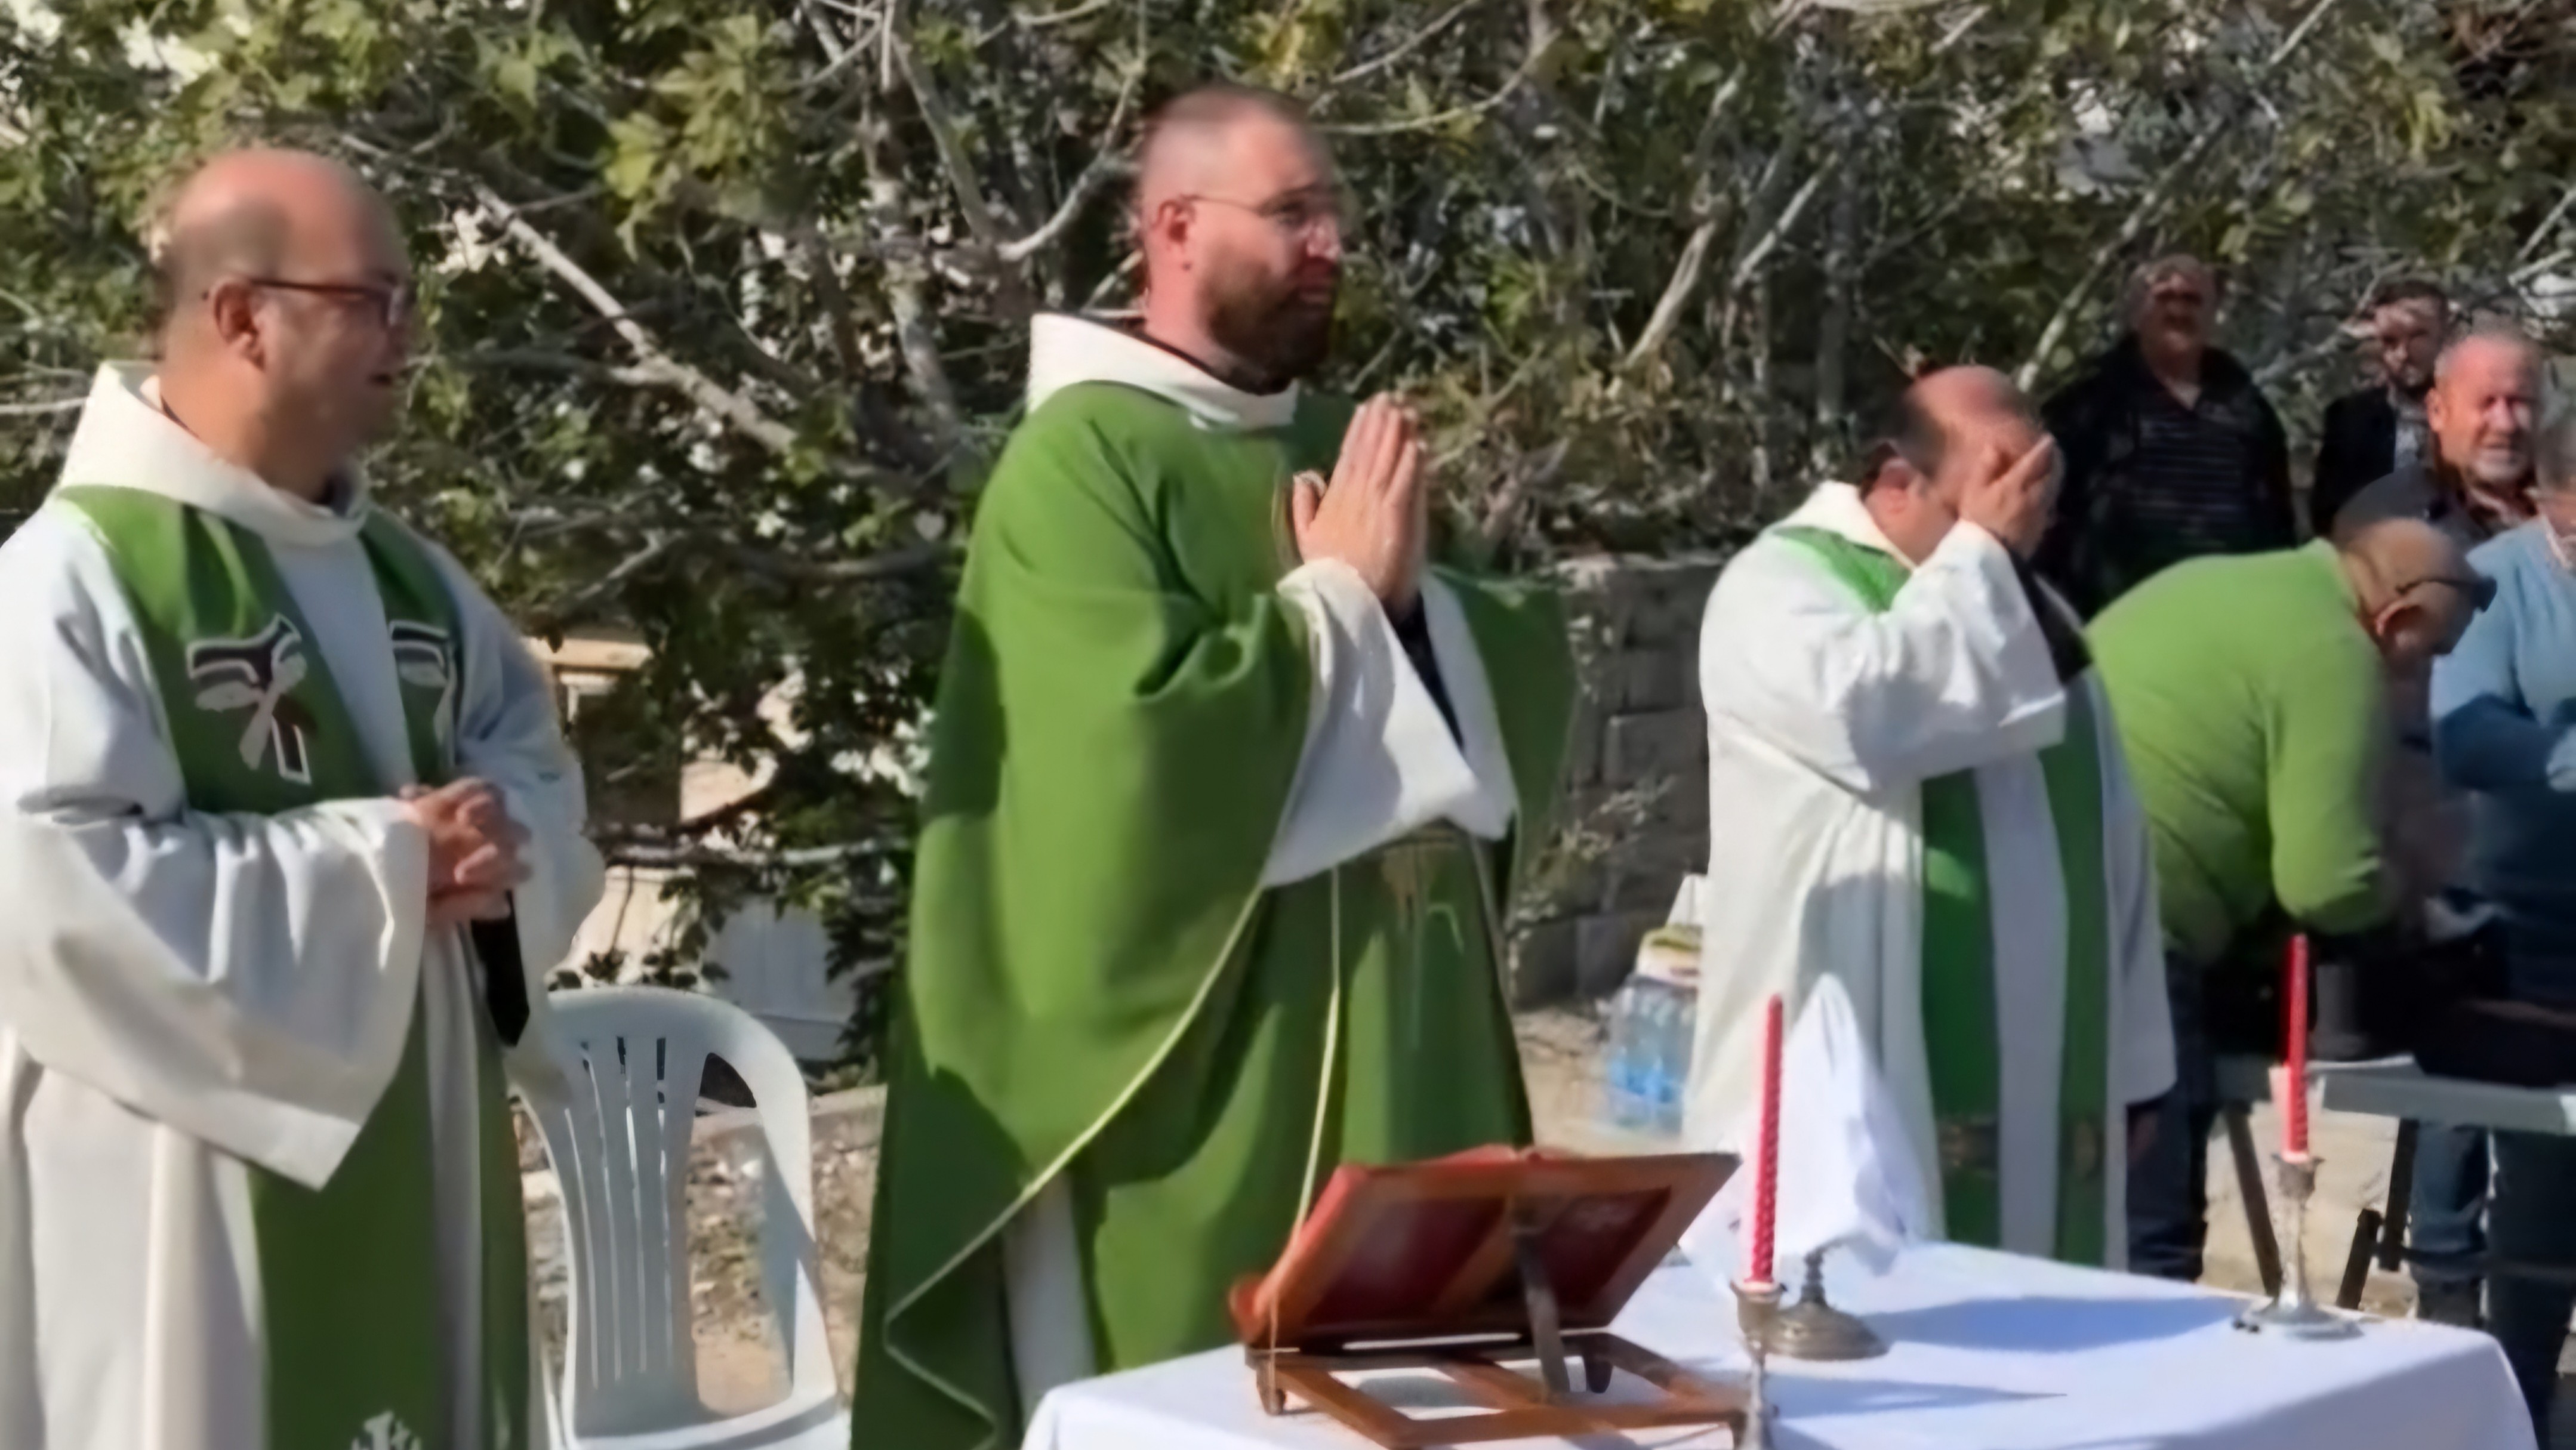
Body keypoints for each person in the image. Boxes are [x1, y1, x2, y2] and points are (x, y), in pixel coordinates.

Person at [849, 84, 1574, 1449]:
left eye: (1333, 212)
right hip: (1196, 1071)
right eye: (1291, 213)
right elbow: (1120, 754)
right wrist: (1343, 604)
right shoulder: (1081, 460)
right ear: (1175, 228)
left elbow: (1511, 646)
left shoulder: (1339, 441)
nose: (1328, 244)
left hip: (1399, 1031)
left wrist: (1410, 609)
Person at [0, 149, 601, 1449]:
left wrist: (501, 845)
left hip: (423, 1139)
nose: (409, 335)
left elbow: (533, 766)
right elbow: (49, 891)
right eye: (371, 299)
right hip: (181, 1190)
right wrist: (387, 865)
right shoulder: (69, 583)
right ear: (242, 318)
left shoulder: (415, 581)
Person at [1687, 367, 2174, 1268]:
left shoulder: (2033, 612)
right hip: (1855, 1077)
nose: (2016, 525)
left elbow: (2113, 842)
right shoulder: (1776, 588)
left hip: (2053, 1097)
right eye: (1991, 493)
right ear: (1895, 479)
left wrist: (2138, 1067)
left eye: (2031, 494)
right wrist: (1982, 559)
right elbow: (1866, 716)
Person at [2087, 514, 2486, 1284]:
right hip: (2134, 931)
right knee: (2149, 1236)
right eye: (2428, 654)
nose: (2419, 682)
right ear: (2395, 619)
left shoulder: (2222, 582)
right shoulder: (2335, 650)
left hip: (2047, 899)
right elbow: (2327, 882)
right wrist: (2409, 882)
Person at [2331, 323, 2547, 1326]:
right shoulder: (2388, 516)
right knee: (2461, 1079)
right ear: (2438, 410)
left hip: (2547, 843)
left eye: (2522, 399)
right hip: (2435, 832)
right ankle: (2448, 1292)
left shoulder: (2557, 514)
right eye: (2486, 401)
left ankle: (2530, 1287)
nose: (2506, 420)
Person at [2427, 409, 2576, 1436]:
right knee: (2543, 1186)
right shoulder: (2493, 582)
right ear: (2545, 501)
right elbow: (2465, 729)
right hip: (2530, 931)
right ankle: (2515, 1407)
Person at [2035, 254, 2296, 617]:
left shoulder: (2250, 411)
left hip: (2231, 616)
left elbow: (2277, 524)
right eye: (2165, 298)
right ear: (2136, 312)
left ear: (2212, 314)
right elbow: (2046, 523)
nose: (2179, 311)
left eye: (2192, 300)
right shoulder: (2088, 404)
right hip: (2118, 619)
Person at [2310, 279, 2449, 537]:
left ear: (2446, 336)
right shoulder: (2349, 420)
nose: (2403, 354)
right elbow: (2330, 516)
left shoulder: (2482, 416)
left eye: (2417, 337)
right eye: (2390, 341)